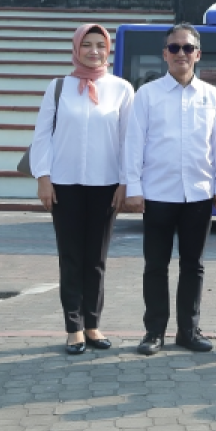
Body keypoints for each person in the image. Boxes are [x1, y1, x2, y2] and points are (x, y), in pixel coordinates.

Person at [123, 23, 216, 356]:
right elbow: (133, 145)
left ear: (198, 54)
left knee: (193, 266)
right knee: (156, 265)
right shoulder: (147, 95)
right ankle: (154, 332)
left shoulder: (212, 96)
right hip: (157, 194)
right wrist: (134, 188)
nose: (181, 53)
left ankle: (188, 330)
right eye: (174, 48)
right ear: (164, 54)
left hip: (198, 193)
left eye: (187, 48)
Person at [30, 24, 133, 354]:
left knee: (96, 259)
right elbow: (42, 135)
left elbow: (128, 140)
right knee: (71, 257)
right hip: (65, 184)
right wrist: (43, 178)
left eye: (100, 46)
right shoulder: (58, 87)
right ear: (76, 48)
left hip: (106, 186)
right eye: (86, 45)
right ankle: (73, 326)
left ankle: (93, 324)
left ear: (108, 50)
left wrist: (125, 182)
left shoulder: (121, 89)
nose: (93, 51)